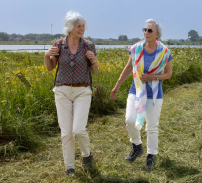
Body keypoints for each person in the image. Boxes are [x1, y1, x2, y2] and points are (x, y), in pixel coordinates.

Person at [110, 19, 173, 169]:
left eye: (150, 30)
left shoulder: (164, 52)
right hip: (136, 90)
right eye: (144, 29)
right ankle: (137, 146)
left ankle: (151, 155)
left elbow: (168, 73)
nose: (146, 32)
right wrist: (117, 85)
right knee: (129, 120)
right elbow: (128, 68)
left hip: (154, 94)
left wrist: (153, 77)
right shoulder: (136, 48)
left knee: (151, 126)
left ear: (157, 34)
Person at [44, 11, 99, 176]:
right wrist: (47, 55)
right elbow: (50, 67)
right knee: (66, 132)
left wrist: (94, 60)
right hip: (62, 91)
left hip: (83, 90)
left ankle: (87, 154)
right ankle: (69, 167)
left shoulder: (88, 46)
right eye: (78, 26)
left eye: (83, 26)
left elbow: (95, 71)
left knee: (78, 130)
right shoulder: (59, 44)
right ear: (69, 28)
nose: (82, 29)